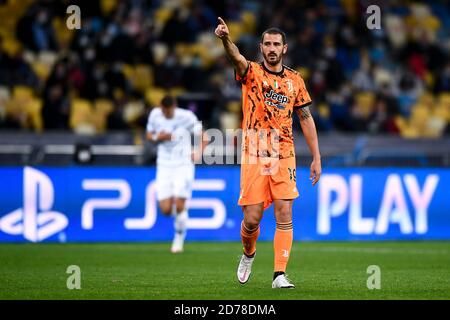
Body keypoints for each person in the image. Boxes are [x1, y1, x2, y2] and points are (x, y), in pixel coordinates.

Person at [215, 17, 322, 288]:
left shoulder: (295, 80)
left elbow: (306, 118)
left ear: (284, 48)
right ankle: (248, 253)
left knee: (285, 212)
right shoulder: (251, 72)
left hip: (284, 152)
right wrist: (226, 39)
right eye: (267, 44)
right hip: (255, 151)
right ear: (261, 47)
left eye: (276, 44)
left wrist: (316, 156)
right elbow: (236, 57)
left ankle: (279, 275)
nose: (272, 48)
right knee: (252, 218)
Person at [146, 95, 204, 253]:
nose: (165, 114)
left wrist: (198, 151)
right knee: (165, 210)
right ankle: (182, 216)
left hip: (183, 163)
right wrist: (159, 137)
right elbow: (149, 135)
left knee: (179, 204)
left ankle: (179, 236)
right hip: (164, 164)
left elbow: (203, 135)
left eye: (168, 111)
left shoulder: (187, 116)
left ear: (174, 107)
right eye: (163, 111)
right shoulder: (155, 115)